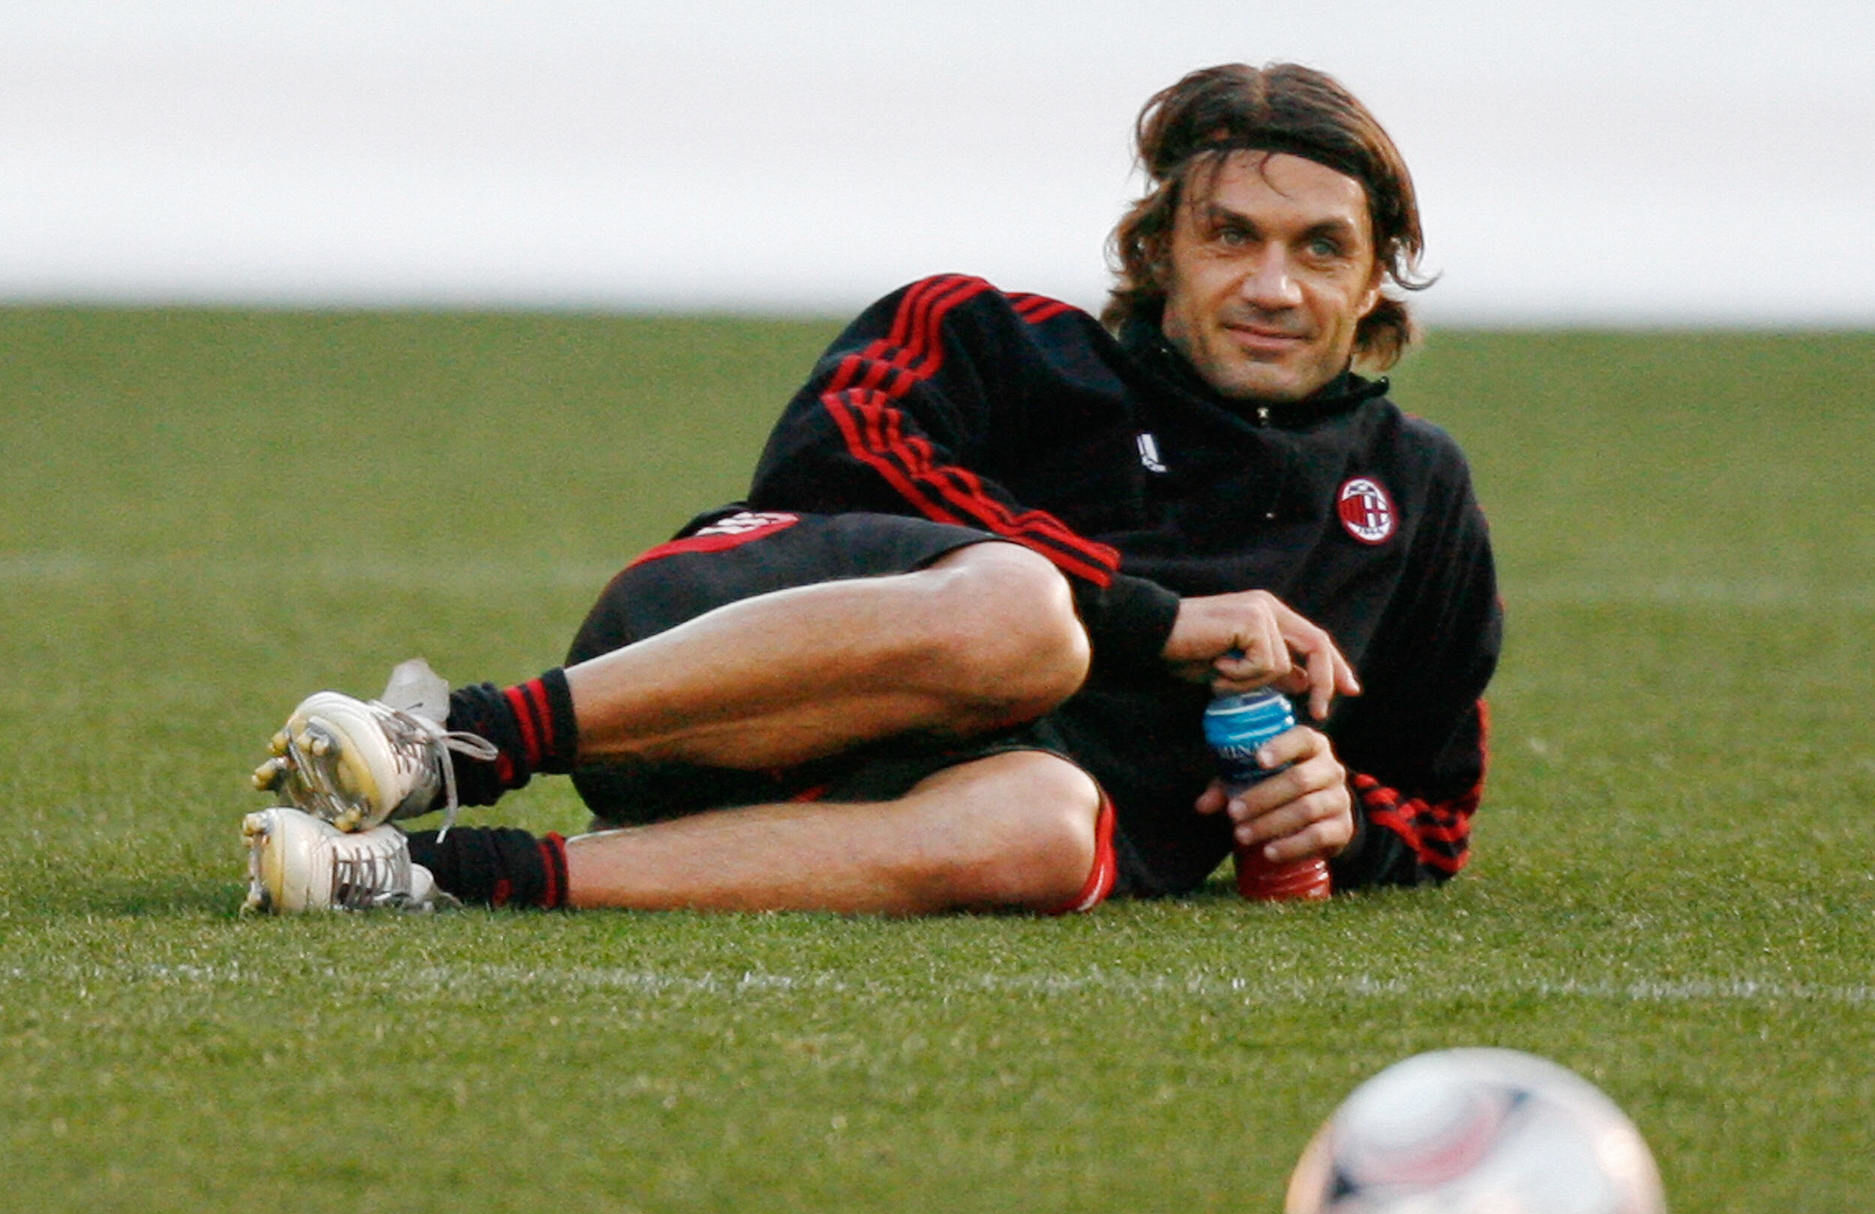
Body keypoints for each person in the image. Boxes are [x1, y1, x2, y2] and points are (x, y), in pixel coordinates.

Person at [240, 61, 1499, 917]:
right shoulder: (996, 339)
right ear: (1160, 247)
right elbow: (830, 467)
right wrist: (1149, 615)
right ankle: (451, 738)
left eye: (1321, 248)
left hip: (887, 812)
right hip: (705, 676)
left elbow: (1435, 815)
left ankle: (431, 874)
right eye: (1231, 236)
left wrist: (1342, 818)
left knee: (1054, 828)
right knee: (1023, 615)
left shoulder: (1414, 491)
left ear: (1375, 279)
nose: (1274, 286)